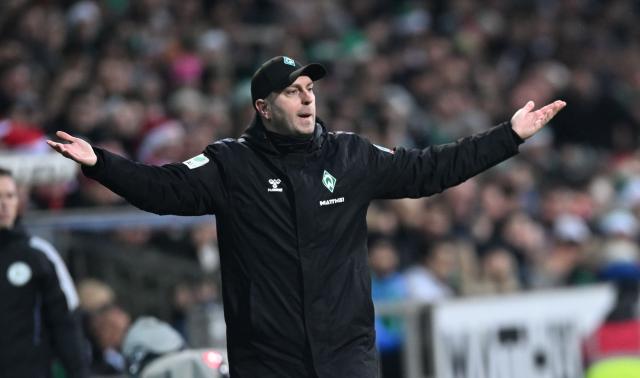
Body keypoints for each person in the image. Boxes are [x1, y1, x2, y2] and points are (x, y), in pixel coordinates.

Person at [47, 55, 566, 378]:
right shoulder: (231, 163)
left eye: (310, 89)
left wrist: (508, 136)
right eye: (292, 91)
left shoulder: (351, 155)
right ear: (263, 107)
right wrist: (102, 165)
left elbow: (429, 171)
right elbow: (164, 190)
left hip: (347, 355)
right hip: (268, 359)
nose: (307, 98)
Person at [0, 167, 89, 377]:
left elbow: (65, 322)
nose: (3, 204)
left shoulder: (38, 254)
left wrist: (79, 372)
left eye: (9, 196)